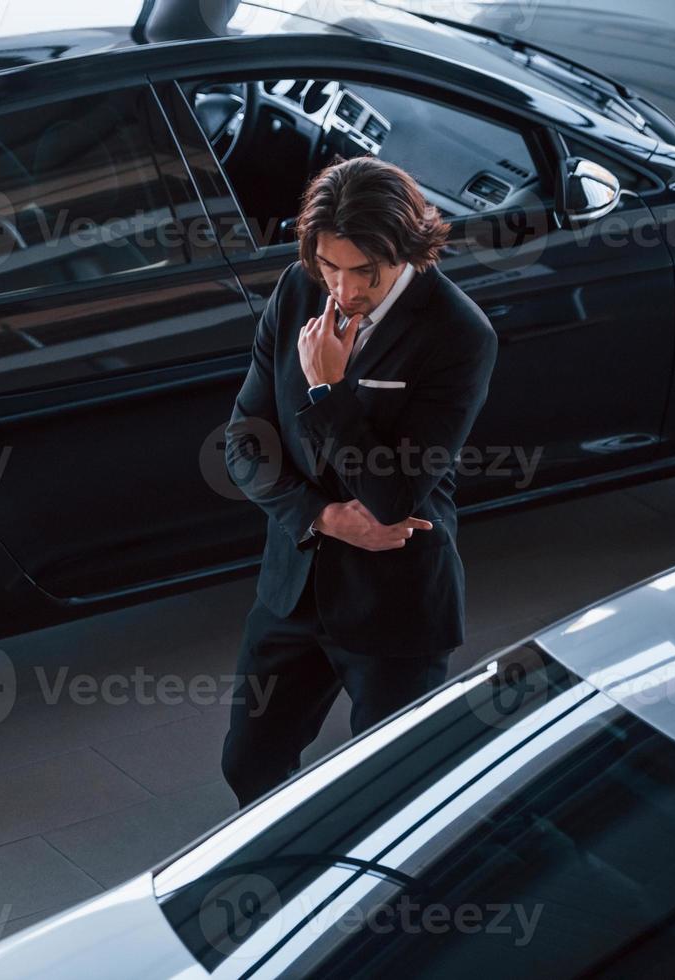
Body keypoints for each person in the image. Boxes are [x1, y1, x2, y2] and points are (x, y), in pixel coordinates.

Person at [219, 155, 498, 810]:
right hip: (294, 585)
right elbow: (242, 440)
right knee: (248, 766)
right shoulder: (295, 290)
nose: (341, 290)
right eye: (329, 267)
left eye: (362, 272)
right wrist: (317, 517)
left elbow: (394, 495)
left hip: (396, 605)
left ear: (406, 252)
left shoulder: (459, 335)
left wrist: (328, 388)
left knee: (390, 792)